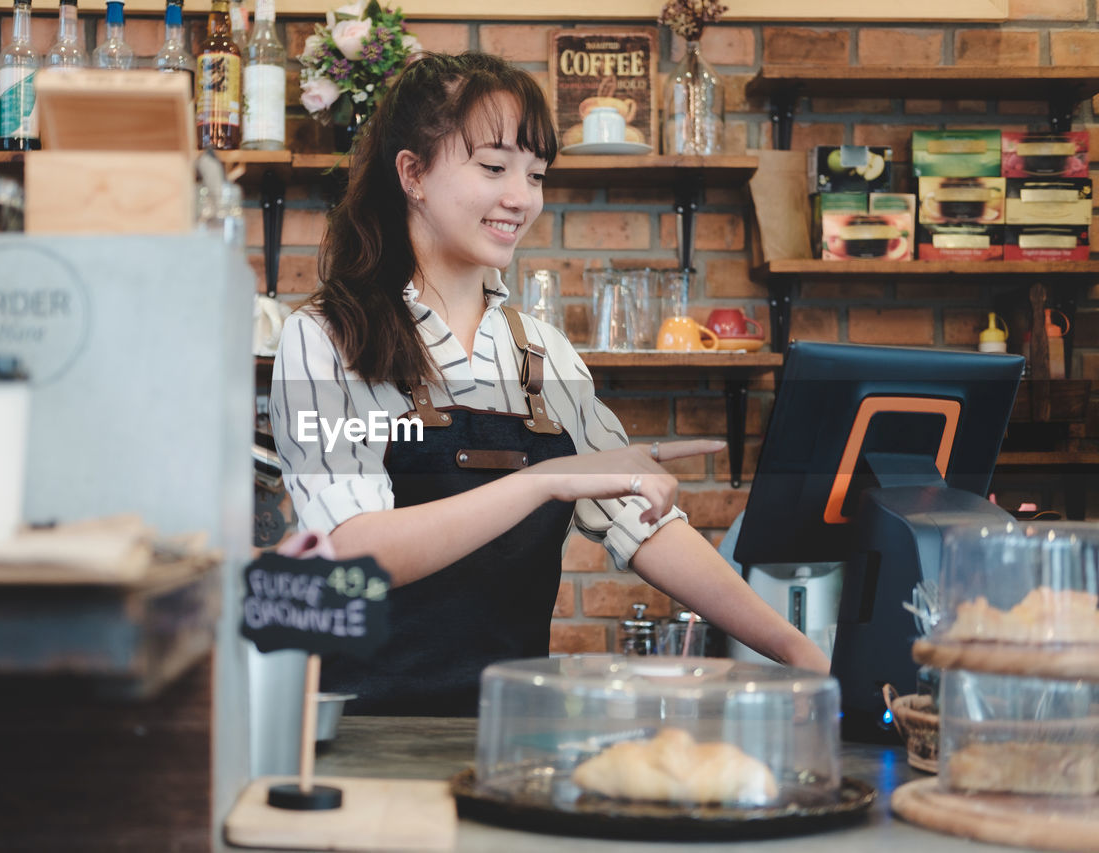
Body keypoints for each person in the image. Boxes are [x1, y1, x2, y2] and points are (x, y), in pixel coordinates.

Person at [269, 51, 829, 716]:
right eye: (494, 167)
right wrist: (547, 478)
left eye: (535, 174)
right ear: (412, 173)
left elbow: (649, 528)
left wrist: (798, 651)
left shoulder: (544, 354)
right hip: (360, 736)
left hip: (510, 736)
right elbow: (347, 551)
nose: (521, 197)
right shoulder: (328, 339)